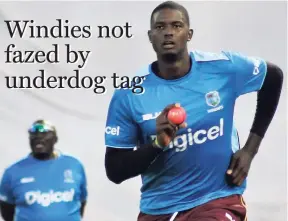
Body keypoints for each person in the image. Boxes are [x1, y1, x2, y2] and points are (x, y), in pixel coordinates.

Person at [104, 1, 284, 221]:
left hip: (216, 200)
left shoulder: (223, 68)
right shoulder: (128, 95)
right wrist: (159, 143)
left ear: (189, 34)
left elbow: (273, 76)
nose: (168, 33)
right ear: (150, 37)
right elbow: (114, 171)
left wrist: (249, 151)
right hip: (159, 209)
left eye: (176, 26)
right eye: (160, 28)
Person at [0, 120, 88, 221]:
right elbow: (6, 210)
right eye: (34, 134)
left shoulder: (74, 165)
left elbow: (81, 201)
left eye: (44, 134)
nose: (39, 137)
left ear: (55, 139)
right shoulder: (12, 172)